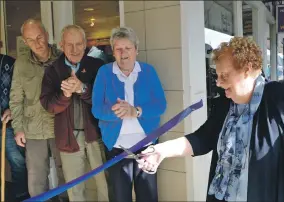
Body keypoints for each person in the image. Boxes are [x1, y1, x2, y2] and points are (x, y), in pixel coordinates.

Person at [138, 37, 284, 202]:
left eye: (224, 76)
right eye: (217, 76)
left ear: (246, 69)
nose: (218, 83)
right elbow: (202, 139)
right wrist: (161, 151)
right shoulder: (225, 104)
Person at [92, 26, 167, 202]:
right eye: (118, 49)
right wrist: (117, 112)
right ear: (113, 51)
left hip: (146, 145)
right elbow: (96, 109)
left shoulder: (148, 72)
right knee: (119, 197)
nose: (123, 53)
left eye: (128, 48)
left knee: (147, 196)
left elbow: (160, 105)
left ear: (136, 50)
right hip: (117, 146)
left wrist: (136, 111)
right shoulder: (104, 73)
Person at [40, 24, 108, 202]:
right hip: (68, 137)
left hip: (97, 135)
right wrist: (65, 95)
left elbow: (105, 100)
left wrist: (83, 88)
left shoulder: (98, 66)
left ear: (85, 44)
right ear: (61, 45)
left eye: (79, 44)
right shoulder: (52, 70)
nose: (74, 49)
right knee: (75, 189)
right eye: (69, 44)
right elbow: (48, 105)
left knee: (105, 185)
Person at [9, 19, 68, 202]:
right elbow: (16, 98)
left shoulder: (63, 58)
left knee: (66, 174)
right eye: (31, 39)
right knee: (36, 180)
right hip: (33, 129)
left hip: (61, 126)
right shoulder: (21, 64)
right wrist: (18, 128)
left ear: (47, 34)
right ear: (25, 42)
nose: (37, 43)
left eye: (39, 37)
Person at [0, 54, 29, 201]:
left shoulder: (9, 63)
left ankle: (21, 196)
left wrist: (12, 109)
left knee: (18, 162)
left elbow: (23, 91)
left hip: (9, 125)